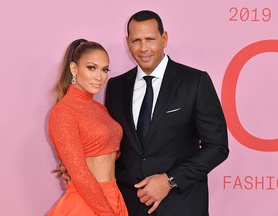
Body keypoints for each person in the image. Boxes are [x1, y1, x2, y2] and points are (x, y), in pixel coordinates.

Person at [57, 10, 229, 216]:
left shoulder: (195, 82)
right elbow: (112, 141)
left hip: (181, 205)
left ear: (164, 39)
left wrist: (170, 179)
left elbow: (217, 146)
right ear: (128, 42)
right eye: (136, 40)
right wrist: (75, 162)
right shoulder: (116, 86)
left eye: (150, 39)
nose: (143, 48)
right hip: (128, 205)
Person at [47, 39, 128, 216]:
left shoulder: (100, 109)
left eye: (104, 69)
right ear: (74, 69)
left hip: (114, 196)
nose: (100, 76)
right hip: (87, 203)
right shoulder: (63, 112)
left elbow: (107, 153)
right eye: (92, 68)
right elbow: (81, 174)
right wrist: (107, 213)